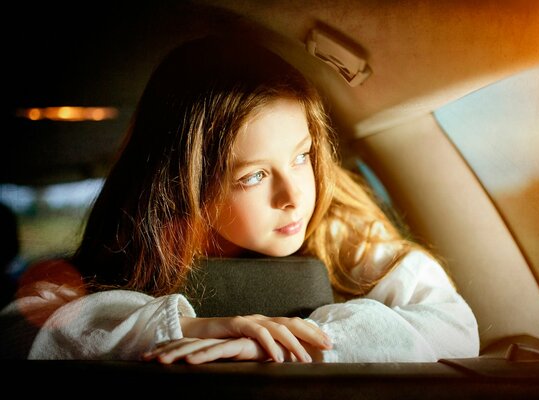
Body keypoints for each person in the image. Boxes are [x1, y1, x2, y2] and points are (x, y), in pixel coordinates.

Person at [0, 35, 479, 363]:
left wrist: (290, 345)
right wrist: (186, 329)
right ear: (184, 185)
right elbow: (17, 334)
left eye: (302, 156)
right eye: (253, 177)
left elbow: (454, 326)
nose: (294, 195)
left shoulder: (341, 231)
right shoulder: (142, 246)